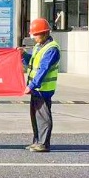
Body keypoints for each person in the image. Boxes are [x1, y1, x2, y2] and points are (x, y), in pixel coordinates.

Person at [22, 17, 59, 153]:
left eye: (36, 34)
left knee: (43, 117)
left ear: (44, 33)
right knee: (36, 117)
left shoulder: (51, 49)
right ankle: (37, 141)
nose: (34, 37)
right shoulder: (39, 46)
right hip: (37, 89)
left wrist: (32, 85)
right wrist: (23, 55)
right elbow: (32, 63)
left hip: (43, 89)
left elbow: (43, 69)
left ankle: (43, 143)